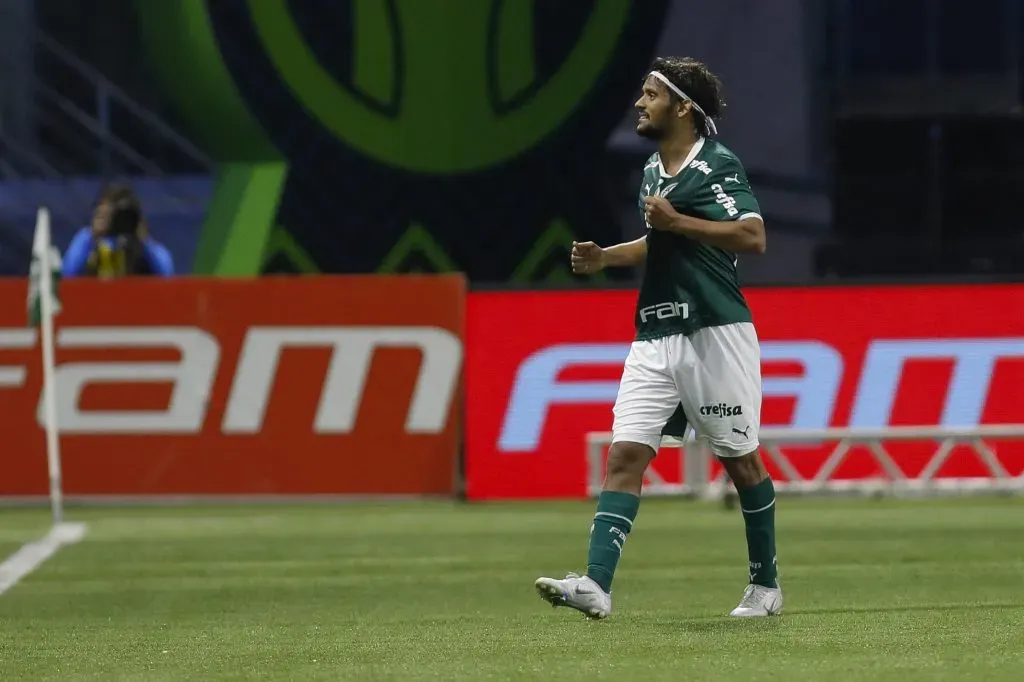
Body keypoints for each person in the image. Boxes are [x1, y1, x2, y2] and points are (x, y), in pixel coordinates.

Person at [534, 57, 780, 619]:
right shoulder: (652, 169)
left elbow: (752, 234)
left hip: (714, 330)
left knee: (741, 462)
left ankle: (765, 586)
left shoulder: (717, 164)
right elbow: (657, 241)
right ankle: (596, 585)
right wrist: (607, 257)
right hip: (654, 333)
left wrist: (677, 224)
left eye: (650, 94)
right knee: (625, 454)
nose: (640, 103)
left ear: (682, 106)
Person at [62, 183, 174, 278]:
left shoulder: (141, 244)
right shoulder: (87, 239)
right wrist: (92, 235)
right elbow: (68, 274)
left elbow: (167, 275)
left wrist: (144, 241)